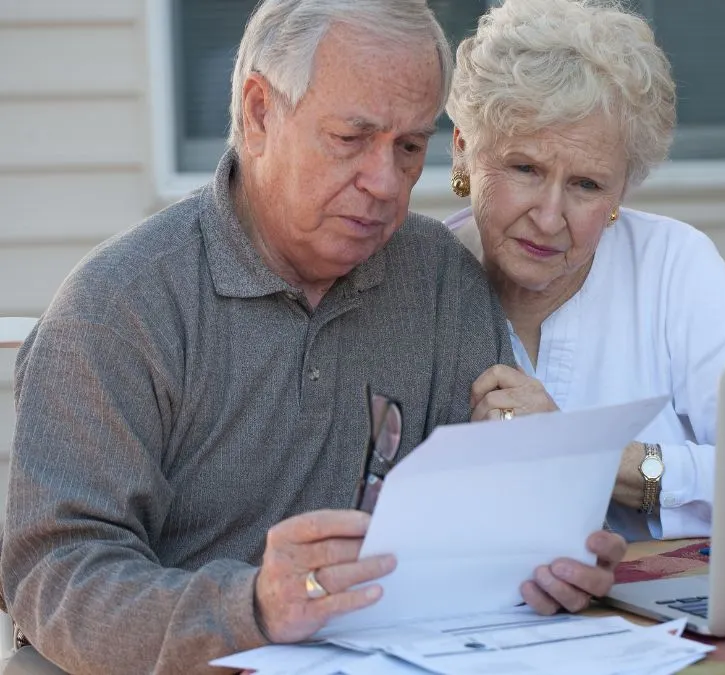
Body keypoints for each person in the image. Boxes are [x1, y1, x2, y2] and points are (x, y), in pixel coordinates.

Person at [0, 2, 625, 673]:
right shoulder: (119, 307)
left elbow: (481, 526)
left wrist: (546, 556)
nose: (386, 183)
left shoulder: (439, 278)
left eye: (410, 147)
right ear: (259, 112)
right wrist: (254, 607)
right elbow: (53, 574)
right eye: (351, 139)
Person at [445, 0, 725, 543]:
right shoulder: (415, 283)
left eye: (587, 185)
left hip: (674, 605)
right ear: (464, 151)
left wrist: (583, 452)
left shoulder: (672, 264)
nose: (549, 217)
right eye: (525, 168)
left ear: (622, 190)